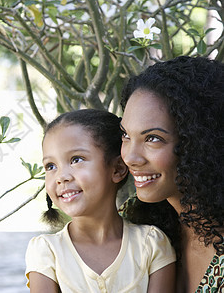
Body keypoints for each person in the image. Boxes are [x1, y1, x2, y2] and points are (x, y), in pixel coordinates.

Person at [25, 109, 176, 292]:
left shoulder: (152, 244)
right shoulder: (47, 252)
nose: (61, 177)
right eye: (51, 166)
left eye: (76, 159)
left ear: (118, 169)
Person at [120, 56, 224, 292]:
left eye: (152, 139)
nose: (130, 157)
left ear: (199, 143)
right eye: (126, 135)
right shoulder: (133, 221)